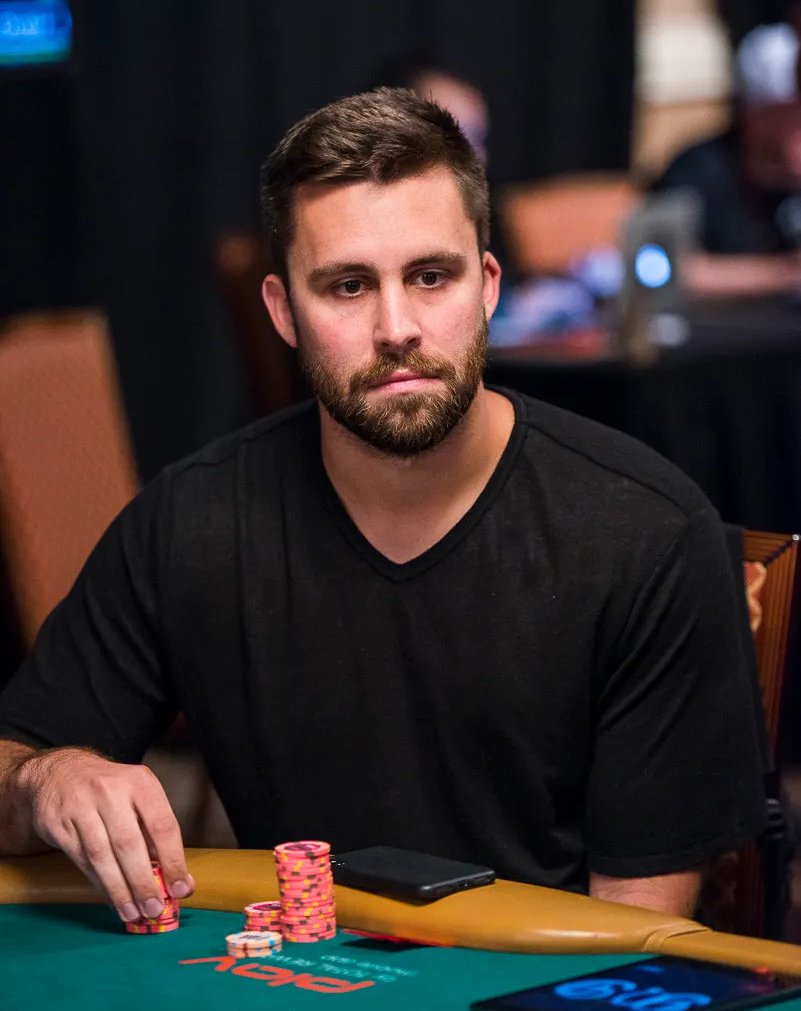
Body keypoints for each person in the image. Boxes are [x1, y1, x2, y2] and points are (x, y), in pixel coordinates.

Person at [0, 88, 765, 927]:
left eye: (430, 277)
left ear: (487, 286)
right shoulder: (191, 523)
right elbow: (15, 759)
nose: (396, 326)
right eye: (347, 286)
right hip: (294, 981)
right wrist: (43, 778)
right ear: (282, 312)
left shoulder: (644, 534)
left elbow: (635, 939)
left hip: (545, 994)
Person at [652, 24, 801, 297]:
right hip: (725, 322)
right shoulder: (698, 169)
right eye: (790, 110)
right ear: (753, 114)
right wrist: (784, 273)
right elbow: (667, 270)